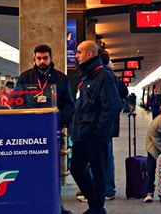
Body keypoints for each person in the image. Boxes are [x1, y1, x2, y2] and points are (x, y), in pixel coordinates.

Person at [15, 44, 75, 214]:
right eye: (39, 58)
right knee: (32, 170)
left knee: (52, 171)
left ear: (51, 58)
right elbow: (15, 103)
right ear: (34, 58)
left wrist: (58, 122)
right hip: (30, 134)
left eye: (45, 58)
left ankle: (56, 205)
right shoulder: (25, 78)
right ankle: (32, 203)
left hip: (53, 133)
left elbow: (69, 106)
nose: (42, 61)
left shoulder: (61, 79)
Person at [70, 40, 121, 214]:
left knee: (99, 173)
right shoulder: (85, 77)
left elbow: (112, 106)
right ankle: (95, 205)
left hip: (94, 135)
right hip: (81, 134)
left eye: (78, 52)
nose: (76, 55)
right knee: (76, 168)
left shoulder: (103, 76)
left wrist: (100, 133)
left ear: (89, 54)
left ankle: (96, 208)